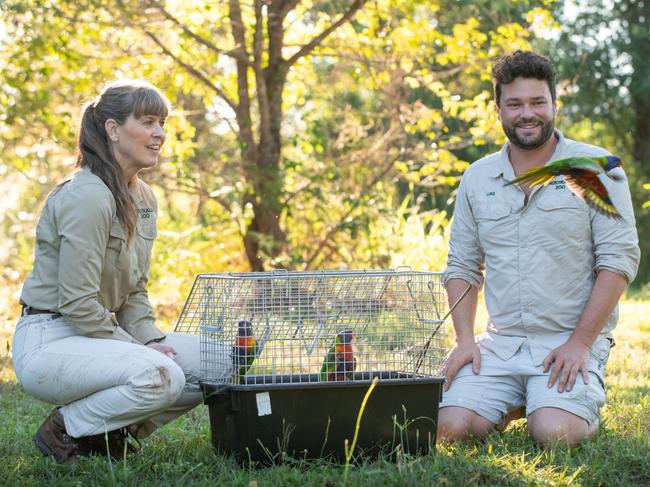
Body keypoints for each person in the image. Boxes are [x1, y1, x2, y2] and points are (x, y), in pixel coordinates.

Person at [437, 51, 640, 446]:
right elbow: (462, 265)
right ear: (498, 110)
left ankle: (554, 401)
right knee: (448, 430)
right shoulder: (477, 178)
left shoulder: (596, 167)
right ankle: (517, 398)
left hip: (569, 340)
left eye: (537, 102)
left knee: (554, 434)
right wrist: (464, 340)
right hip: (501, 343)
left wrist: (580, 344)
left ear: (554, 106)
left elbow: (618, 261)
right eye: (514, 104)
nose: (526, 113)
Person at [12, 79, 204, 463]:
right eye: (148, 121)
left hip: (99, 335)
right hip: (52, 339)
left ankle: (108, 434)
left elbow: (134, 291)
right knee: (162, 375)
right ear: (113, 130)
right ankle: (64, 428)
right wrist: (140, 350)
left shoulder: (143, 196)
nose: (159, 134)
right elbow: (79, 304)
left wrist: (149, 338)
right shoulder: (86, 195)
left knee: (217, 361)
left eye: (162, 123)